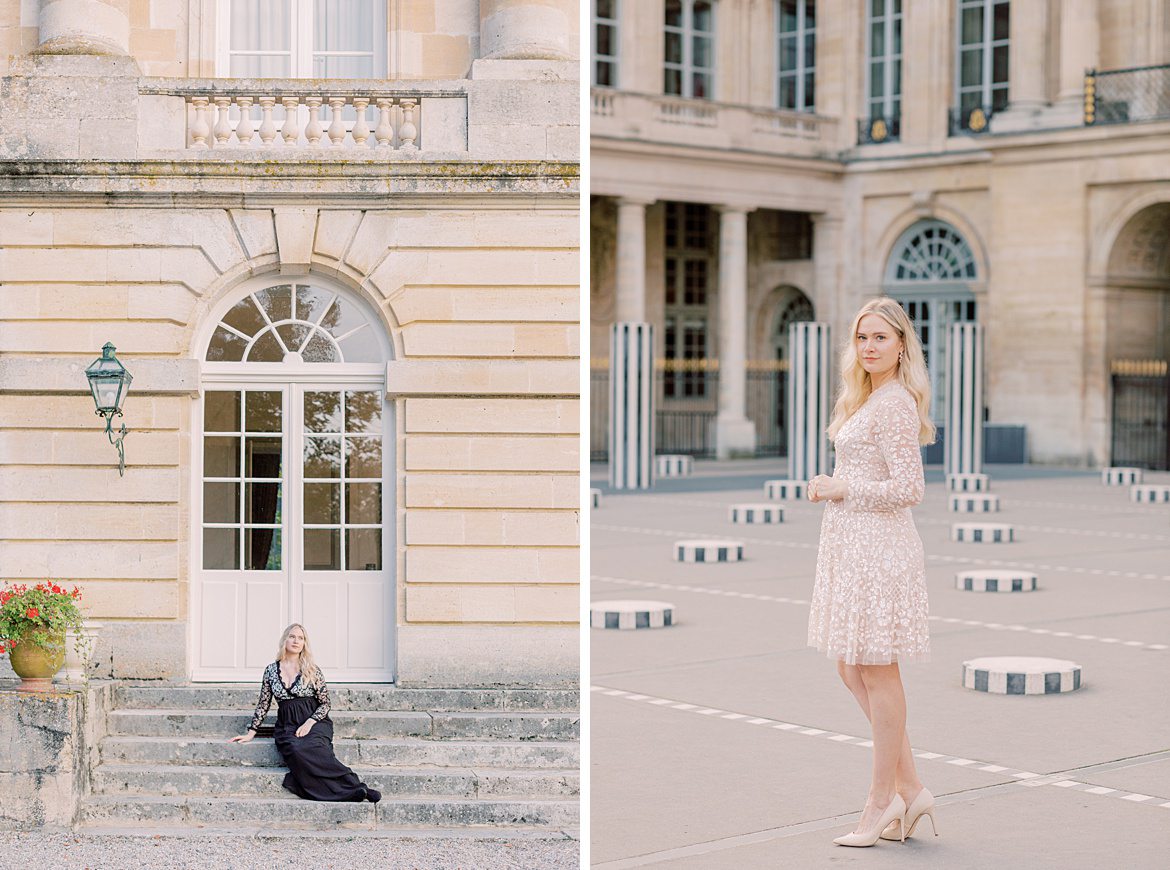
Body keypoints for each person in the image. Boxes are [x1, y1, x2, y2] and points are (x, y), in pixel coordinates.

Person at [805, 297, 939, 848]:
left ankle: (883, 800)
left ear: (902, 344)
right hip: (851, 544)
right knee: (850, 668)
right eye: (862, 338)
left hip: (880, 549)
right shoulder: (865, 398)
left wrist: (844, 487)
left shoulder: (895, 403)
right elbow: (862, 470)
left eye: (880, 338)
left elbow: (911, 490)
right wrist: (830, 482)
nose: (869, 347)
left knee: (877, 671)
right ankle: (912, 788)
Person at [230, 623, 381, 803]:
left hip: (315, 721)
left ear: (304, 644)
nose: (296, 641)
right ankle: (349, 792)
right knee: (296, 748)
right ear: (284, 640)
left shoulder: (312, 670)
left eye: (301, 638)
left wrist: (309, 723)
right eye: (292, 636)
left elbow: (325, 703)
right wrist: (251, 732)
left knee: (315, 748)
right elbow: (264, 702)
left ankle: (356, 785)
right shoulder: (271, 670)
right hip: (288, 724)